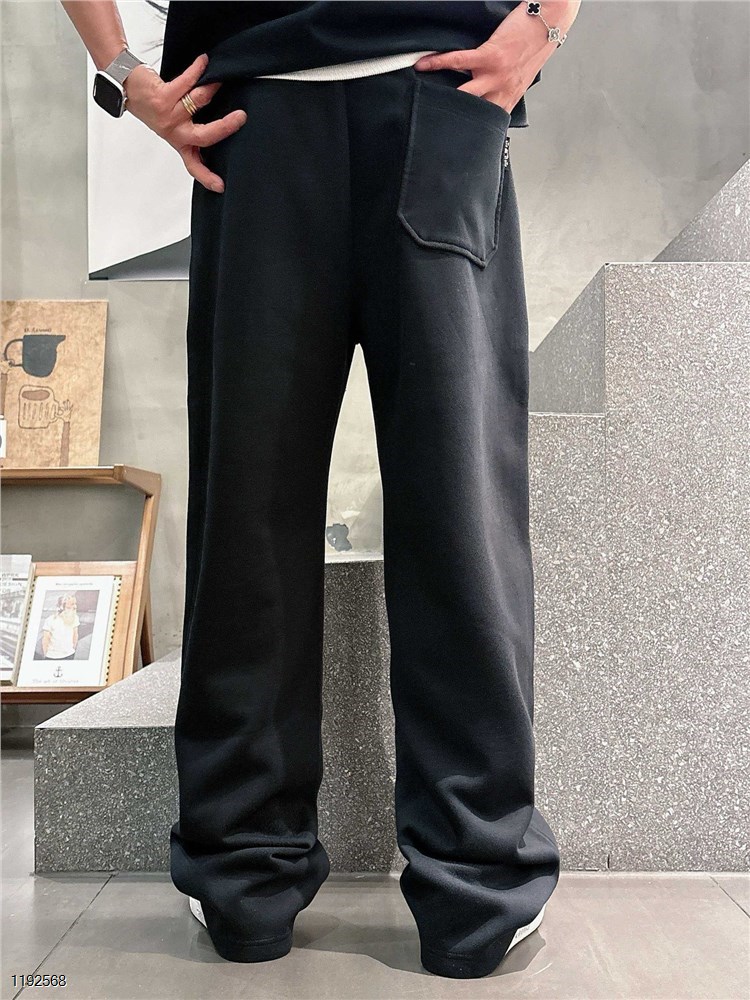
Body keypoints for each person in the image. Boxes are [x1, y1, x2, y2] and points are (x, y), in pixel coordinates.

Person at [62, 0, 581, 981]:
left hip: (436, 101)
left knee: (450, 515)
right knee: (257, 518)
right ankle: (274, 866)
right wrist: (124, 70)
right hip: (258, 116)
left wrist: (546, 23)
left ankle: (444, 874)